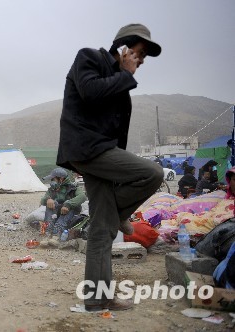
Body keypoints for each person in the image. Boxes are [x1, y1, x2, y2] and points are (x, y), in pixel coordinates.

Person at [56, 23, 164, 311]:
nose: (140, 61)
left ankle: (97, 299)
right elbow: (90, 92)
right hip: (87, 148)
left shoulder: (119, 79)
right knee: (152, 173)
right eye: (139, 54)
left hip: (101, 153)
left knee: (101, 230)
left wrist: (123, 76)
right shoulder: (89, 57)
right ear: (124, 48)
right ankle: (120, 216)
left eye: (142, 58)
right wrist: (125, 74)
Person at [38, 168, 87, 247]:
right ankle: (47, 234)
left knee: (66, 205)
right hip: (56, 212)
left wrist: (68, 204)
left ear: (61, 179)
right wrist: (48, 199)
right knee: (51, 203)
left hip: (69, 211)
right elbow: (43, 200)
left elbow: (82, 197)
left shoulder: (73, 188)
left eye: (53, 179)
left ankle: (56, 236)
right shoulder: (52, 189)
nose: (52, 181)